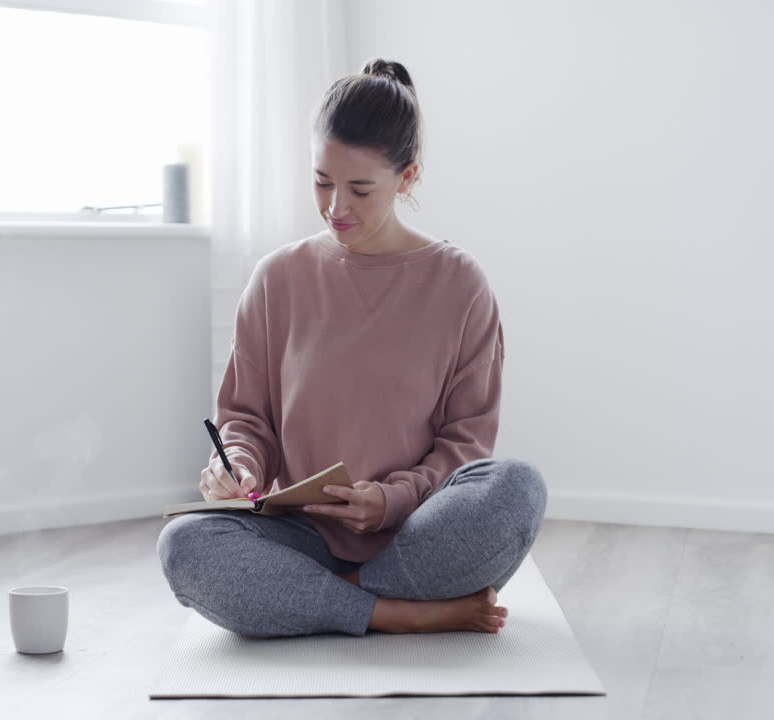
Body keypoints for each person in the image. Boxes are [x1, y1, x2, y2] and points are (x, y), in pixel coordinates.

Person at [156, 58, 548, 638]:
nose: (337, 207)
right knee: (185, 545)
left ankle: (328, 602)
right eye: (322, 182)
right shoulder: (277, 279)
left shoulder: (460, 285)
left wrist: (390, 501)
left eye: (360, 188)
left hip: (417, 532)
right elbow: (244, 417)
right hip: (300, 538)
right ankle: (398, 611)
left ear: (407, 177)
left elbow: (466, 446)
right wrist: (234, 466)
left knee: (516, 489)